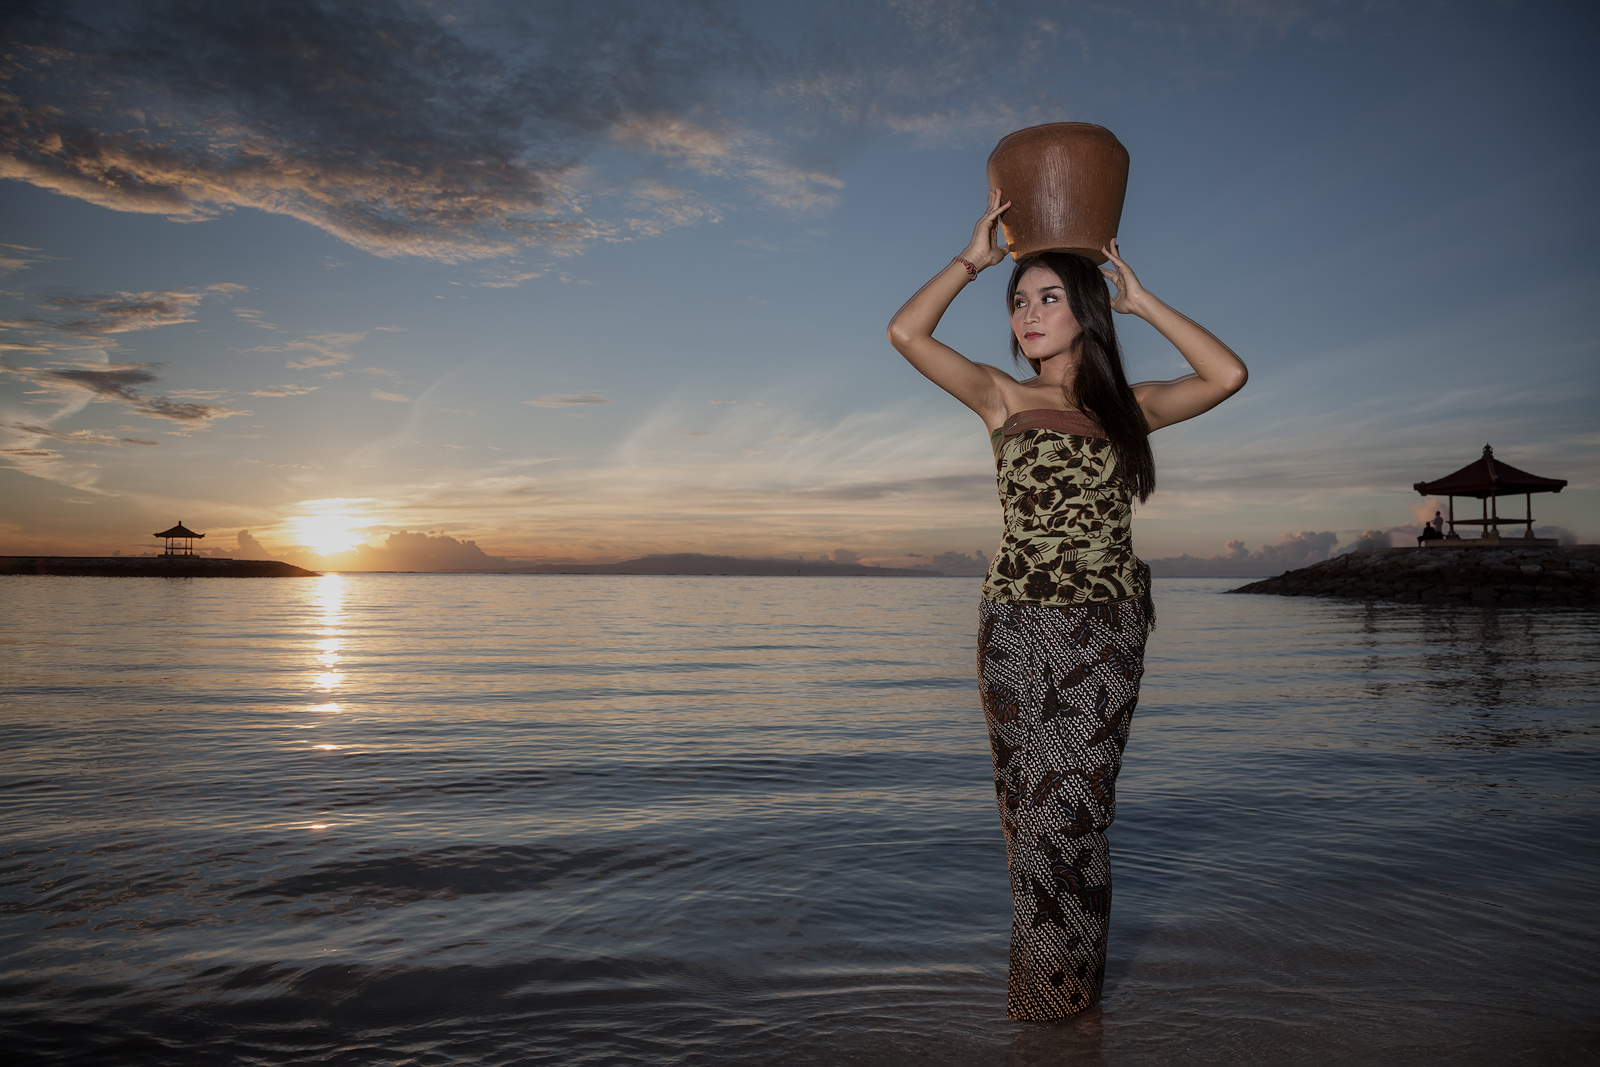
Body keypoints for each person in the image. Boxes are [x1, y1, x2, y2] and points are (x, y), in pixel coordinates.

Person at [886, 188, 1248, 1021]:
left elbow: (1227, 373)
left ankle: (1061, 1003)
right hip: (1017, 626)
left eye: (1049, 297)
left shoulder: (1133, 410)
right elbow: (907, 333)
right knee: (1030, 820)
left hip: (1107, 631)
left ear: (1086, 308)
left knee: (1073, 814)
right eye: (1019, 302)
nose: (1028, 313)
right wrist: (971, 262)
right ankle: (1050, 1006)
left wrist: (1144, 299)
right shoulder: (1000, 399)